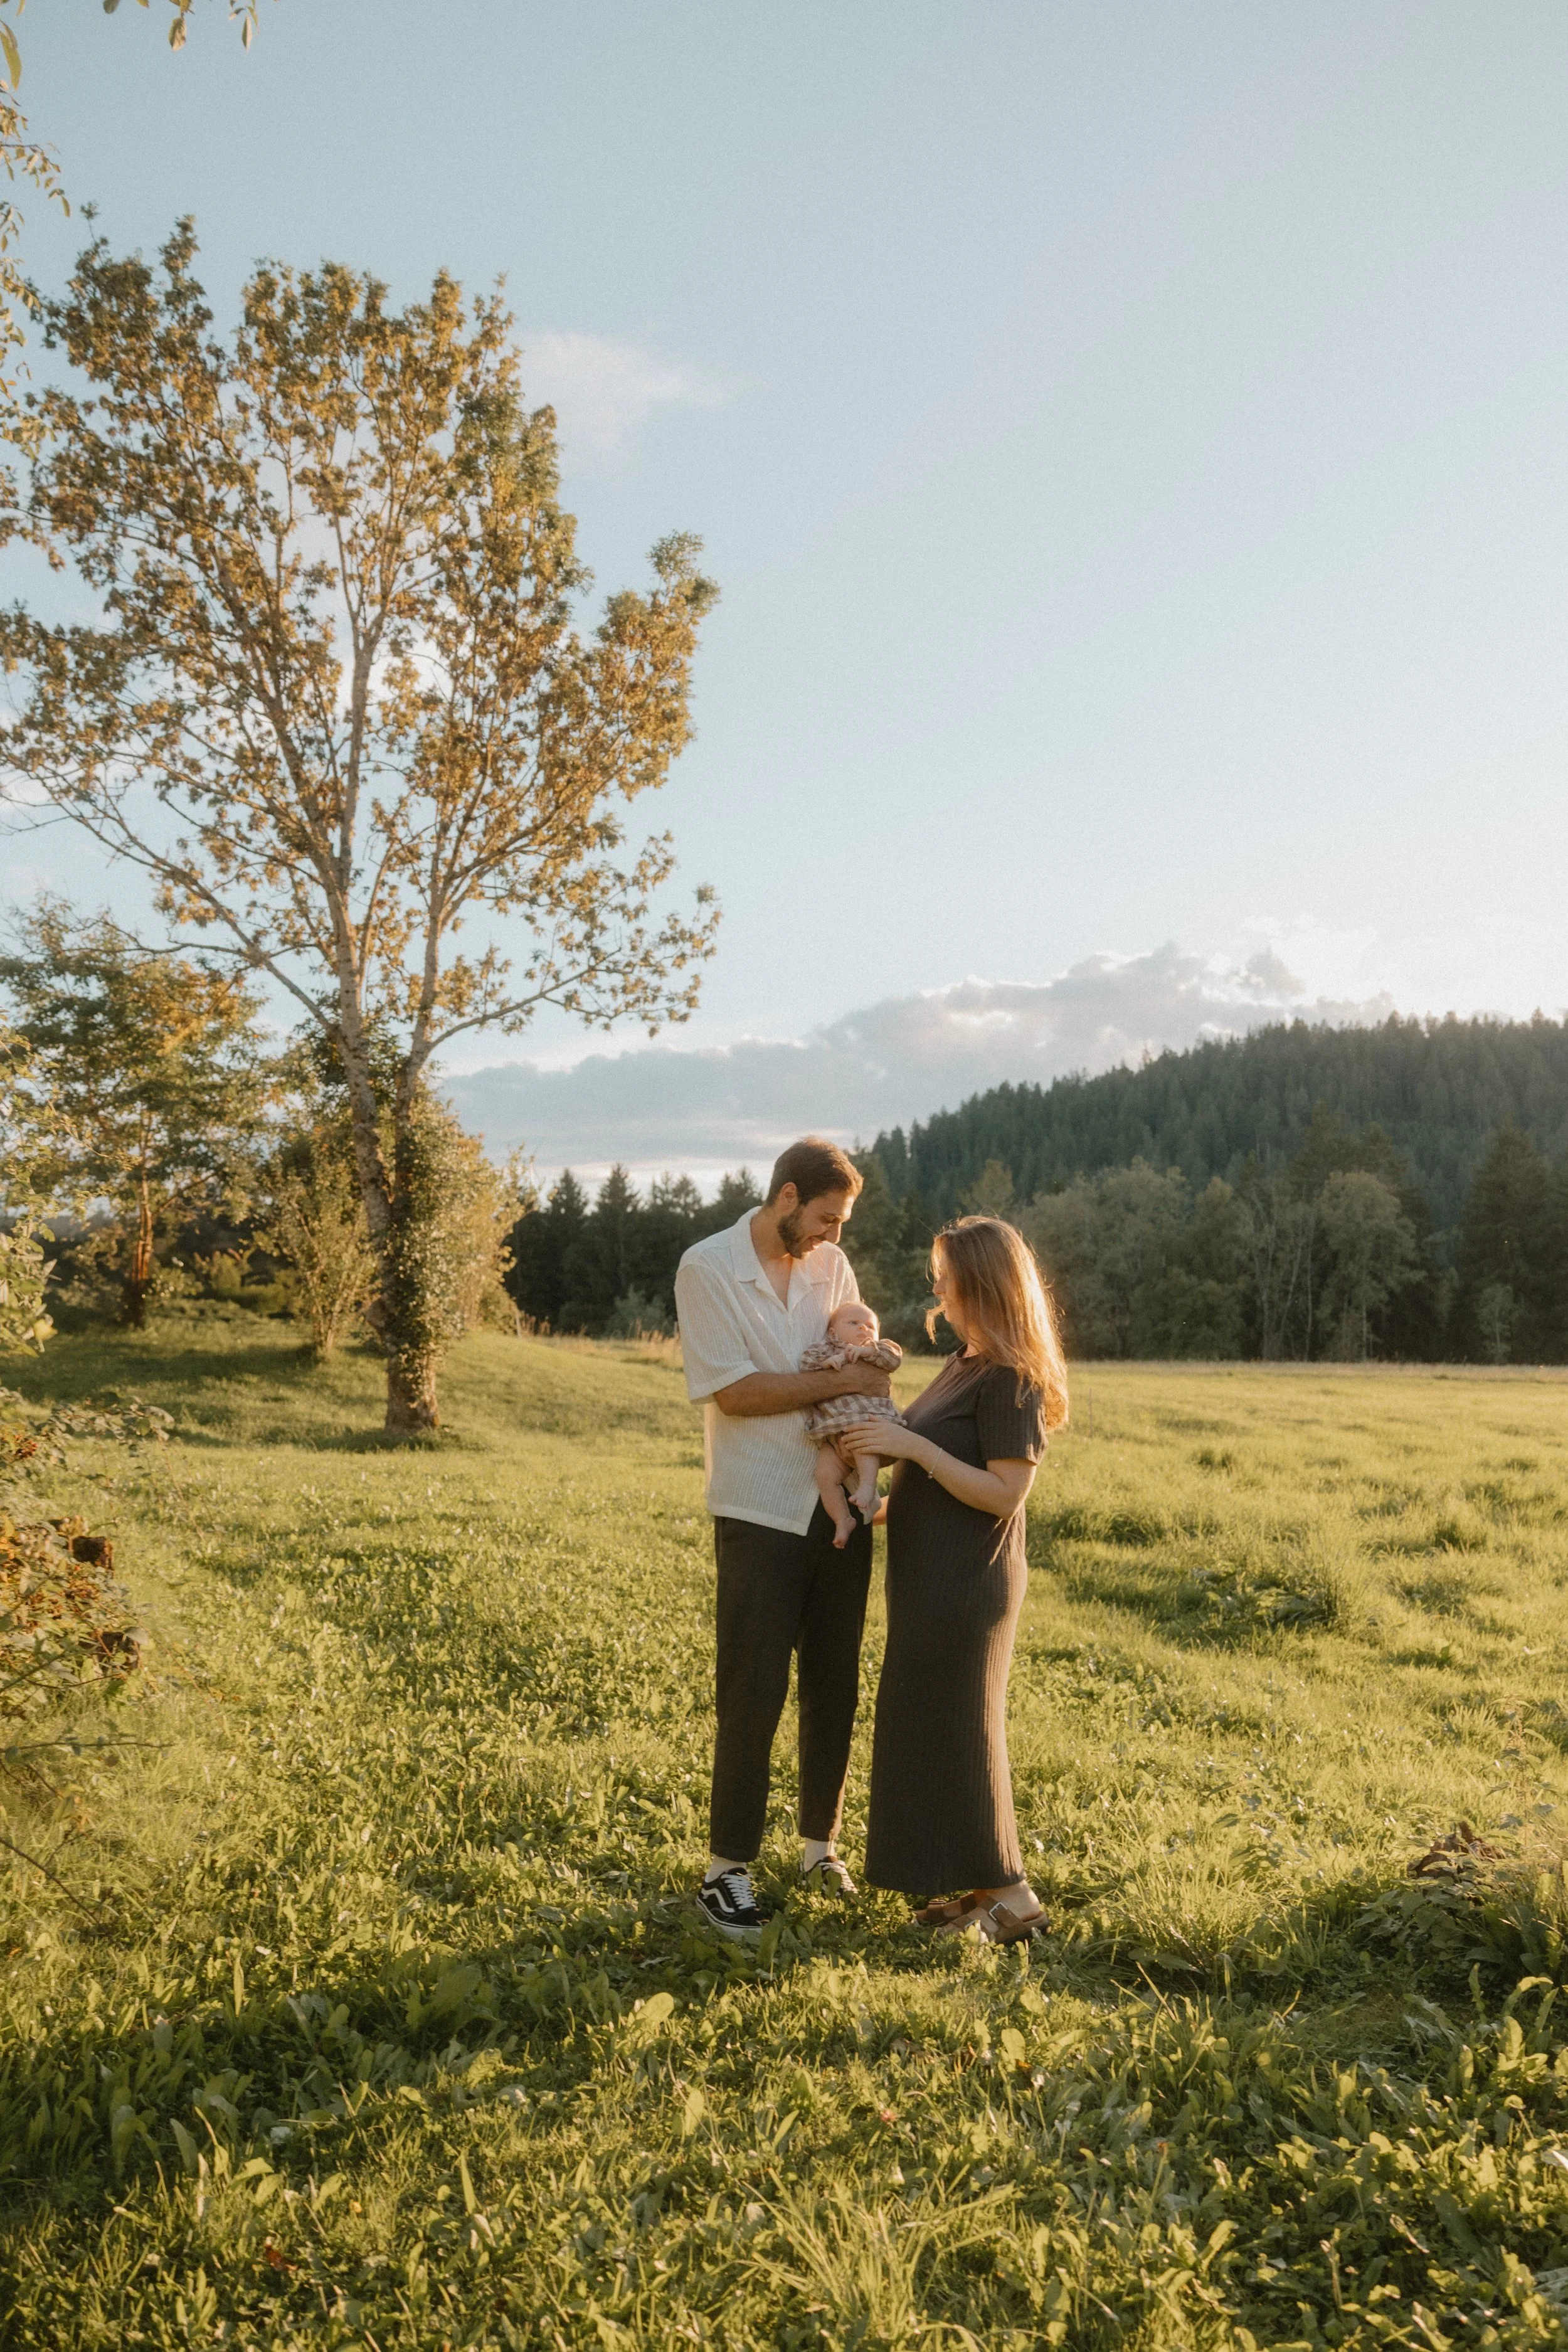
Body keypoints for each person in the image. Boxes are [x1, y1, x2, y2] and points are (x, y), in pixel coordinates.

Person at [674, 1136, 891, 1942]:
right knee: (752, 1689)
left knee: (833, 1684)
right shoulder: (707, 1268)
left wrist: (865, 1454)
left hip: (840, 1504)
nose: (834, 1237)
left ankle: (818, 1848)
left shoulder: (829, 1266)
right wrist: (842, 1382)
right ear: (788, 1197)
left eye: (842, 1224)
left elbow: (862, 1358)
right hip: (758, 1507)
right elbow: (736, 1394)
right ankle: (725, 1869)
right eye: (827, 1219)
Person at [839, 1216, 1069, 1945]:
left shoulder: (1011, 1379)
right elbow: (945, 1465)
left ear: (981, 1282)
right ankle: (981, 1890)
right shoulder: (966, 1362)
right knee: (933, 1725)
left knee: (960, 1729)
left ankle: (1012, 1898)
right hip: (930, 1577)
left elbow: (1005, 1493)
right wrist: (890, 1506)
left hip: (967, 1585)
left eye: (945, 1274)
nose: (934, 1286)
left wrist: (907, 1448)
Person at [798, 1300, 904, 1547]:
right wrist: (826, 1364)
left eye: (870, 1325)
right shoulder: (825, 1349)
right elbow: (806, 1363)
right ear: (834, 1333)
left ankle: (868, 1487)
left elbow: (894, 1358)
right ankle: (842, 1520)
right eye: (854, 1323)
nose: (863, 1329)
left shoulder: (877, 1350)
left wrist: (869, 1351)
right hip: (833, 1433)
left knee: (863, 1444)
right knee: (824, 1475)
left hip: (866, 1421)